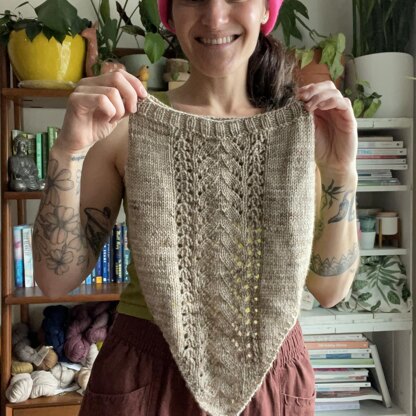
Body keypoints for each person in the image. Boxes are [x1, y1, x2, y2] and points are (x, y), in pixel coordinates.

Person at [32, 0, 359, 413]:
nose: (215, 16)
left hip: (270, 377)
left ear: (265, 10)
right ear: (170, 14)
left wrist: (341, 169)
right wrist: (68, 150)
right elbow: (54, 280)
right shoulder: (126, 125)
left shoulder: (304, 131)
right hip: (147, 374)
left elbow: (331, 290)